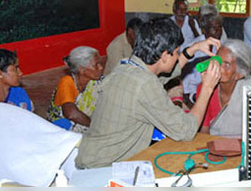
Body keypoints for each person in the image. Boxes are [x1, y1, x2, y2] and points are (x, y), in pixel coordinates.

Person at [75, 18, 221, 169]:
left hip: (92, 155)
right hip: (103, 168)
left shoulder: (126, 64)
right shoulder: (145, 85)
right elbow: (186, 130)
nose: (178, 57)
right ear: (164, 56)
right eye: (176, 52)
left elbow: (164, 73)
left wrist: (194, 48)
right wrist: (207, 88)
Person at [198, 39, 251, 146]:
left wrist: (247, 159)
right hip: (215, 147)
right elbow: (204, 135)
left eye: (226, 64)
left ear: (239, 74)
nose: (218, 67)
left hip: (248, 149)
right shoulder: (205, 88)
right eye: (217, 60)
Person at [47, 46, 104, 133]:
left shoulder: (97, 81)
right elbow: (71, 114)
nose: (101, 67)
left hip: (86, 124)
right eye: (96, 65)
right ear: (82, 70)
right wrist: (96, 126)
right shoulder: (66, 82)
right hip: (63, 128)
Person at [182, 13, 224, 107]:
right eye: (213, 28)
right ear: (204, 30)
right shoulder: (192, 49)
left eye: (219, 27)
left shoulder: (220, 45)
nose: (217, 31)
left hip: (212, 88)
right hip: (194, 94)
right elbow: (186, 84)